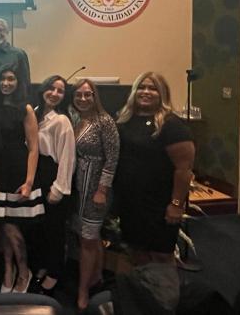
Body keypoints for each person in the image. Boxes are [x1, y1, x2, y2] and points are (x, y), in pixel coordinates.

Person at [114, 72, 195, 312]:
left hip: (159, 204)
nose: (146, 92)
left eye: (153, 88)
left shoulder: (171, 125)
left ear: (162, 94)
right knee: (136, 251)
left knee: (160, 256)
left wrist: (177, 204)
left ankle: (165, 304)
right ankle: (143, 300)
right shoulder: (125, 118)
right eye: (142, 87)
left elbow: (184, 169)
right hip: (131, 202)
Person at [0, 65, 42, 294]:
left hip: (18, 170)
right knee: (3, 225)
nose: (6, 83)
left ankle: (23, 271)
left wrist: (29, 181)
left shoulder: (25, 108)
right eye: (2, 79)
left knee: (13, 226)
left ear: (18, 83)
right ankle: (7, 269)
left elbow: (33, 148)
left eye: (11, 79)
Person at [70, 78, 119, 311]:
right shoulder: (76, 118)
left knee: (88, 240)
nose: (82, 98)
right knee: (89, 236)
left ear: (95, 96)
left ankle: (83, 291)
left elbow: (112, 160)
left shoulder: (104, 121)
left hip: (95, 189)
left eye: (87, 94)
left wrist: (102, 190)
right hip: (78, 186)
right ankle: (96, 276)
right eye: (78, 94)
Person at [29, 75, 75, 297]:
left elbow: (67, 157)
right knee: (40, 228)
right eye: (51, 88)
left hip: (52, 176)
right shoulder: (35, 112)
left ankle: (55, 273)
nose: (55, 94)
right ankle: (43, 265)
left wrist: (59, 188)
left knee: (55, 230)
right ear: (43, 89)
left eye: (61, 91)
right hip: (35, 174)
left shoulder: (61, 121)